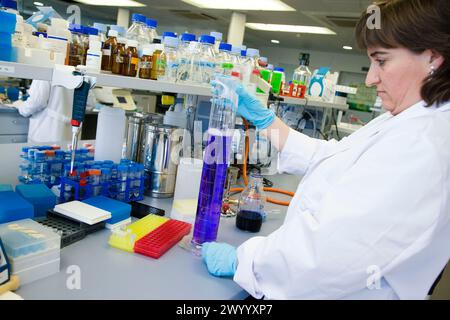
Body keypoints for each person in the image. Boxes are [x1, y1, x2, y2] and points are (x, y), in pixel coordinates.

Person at [202, 0, 450, 299]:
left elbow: (329, 254)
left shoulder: (423, 143)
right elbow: (333, 158)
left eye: (381, 60)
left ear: (433, 58)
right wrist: (266, 120)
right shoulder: (409, 118)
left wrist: (248, 259)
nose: (370, 79)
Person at [13, 80, 74, 144]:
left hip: (46, 131)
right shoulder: (73, 71)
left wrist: (20, 106)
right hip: (68, 130)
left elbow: (36, 102)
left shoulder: (44, 72)